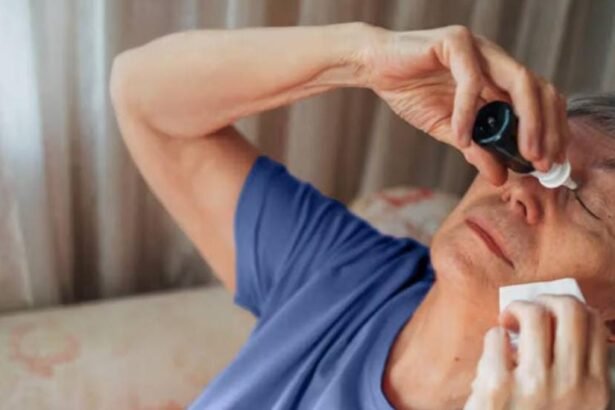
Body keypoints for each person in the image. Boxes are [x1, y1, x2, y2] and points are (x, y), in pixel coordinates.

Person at [109, 22, 612, 409]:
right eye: (528, 155)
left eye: (591, 204)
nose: (520, 191)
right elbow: (142, 93)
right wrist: (361, 58)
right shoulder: (350, 274)